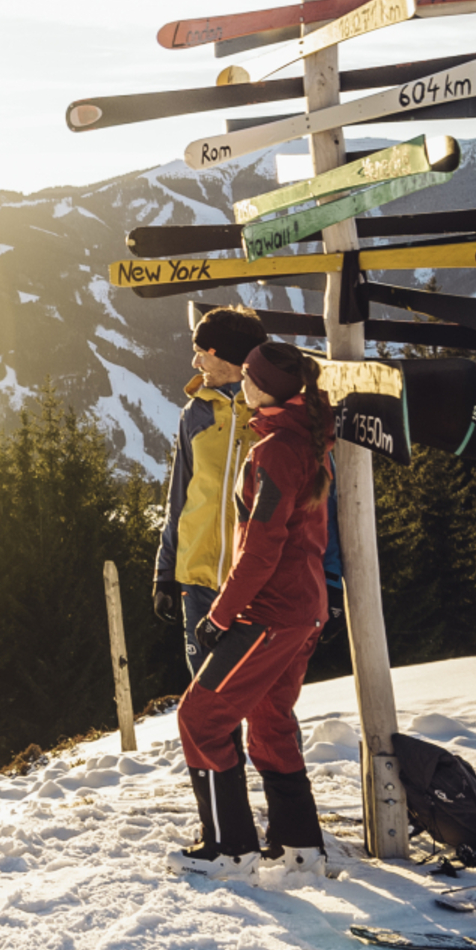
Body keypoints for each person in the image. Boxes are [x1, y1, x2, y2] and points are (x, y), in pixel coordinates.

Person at [173, 339, 336, 881]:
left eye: (247, 375)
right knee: (269, 719)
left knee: (201, 716)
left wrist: (220, 615)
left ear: (264, 388)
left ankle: (228, 850)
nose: (241, 381)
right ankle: (298, 846)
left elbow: (261, 548)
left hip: (271, 611)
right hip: (304, 608)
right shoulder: (306, 439)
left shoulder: (271, 453)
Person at [152, 305, 266, 679]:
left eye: (203, 351)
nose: (195, 360)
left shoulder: (269, 414)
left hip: (254, 582)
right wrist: (165, 572)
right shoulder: (196, 412)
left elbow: (315, 502)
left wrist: (329, 579)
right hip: (197, 579)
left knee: (261, 698)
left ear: (227, 356)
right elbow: (179, 497)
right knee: (207, 697)